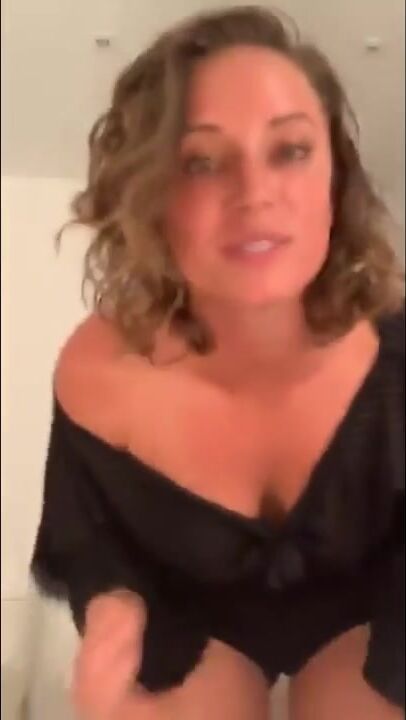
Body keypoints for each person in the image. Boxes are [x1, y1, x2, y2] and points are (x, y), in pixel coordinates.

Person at [31, 6, 404, 720]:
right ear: (151, 196)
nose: (255, 193)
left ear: (336, 177)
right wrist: (113, 617)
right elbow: (93, 543)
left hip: (375, 612)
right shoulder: (100, 373)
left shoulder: (397, 354)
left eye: (290, 150)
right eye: (200, 162)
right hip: (197, 625)